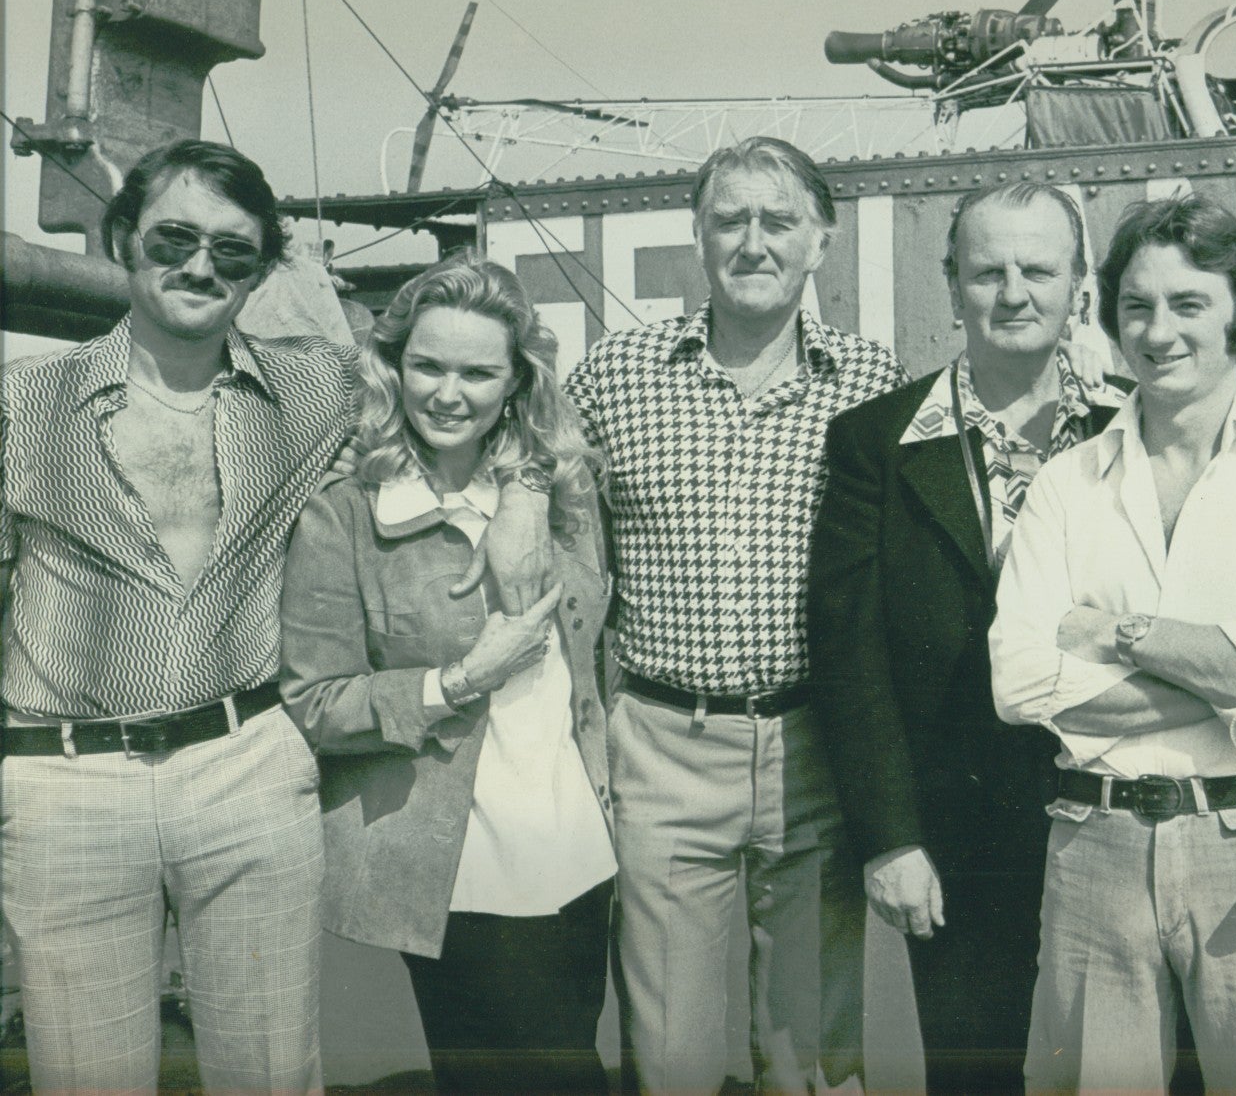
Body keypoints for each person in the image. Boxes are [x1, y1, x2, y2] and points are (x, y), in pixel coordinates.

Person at [0, 140, 550, 1094]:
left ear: (260, 270)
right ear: (123, 238)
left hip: (247, 765)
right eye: (174, 236)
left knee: (270, 1073)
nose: (200, 265)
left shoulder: (315, 390)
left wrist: (524, 487)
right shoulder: (19, 404)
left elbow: (469, 382)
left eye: (232, 249)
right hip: (66, 781)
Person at [990, 191, 1236, 1094]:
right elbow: (1018, 683)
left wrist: (1119, 633)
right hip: (1092, 844)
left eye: (1187, 303)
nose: (1158, 331)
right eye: (1136, 305)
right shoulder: (1063, 485)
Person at [566, 137, 905, 1095]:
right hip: (666, 744)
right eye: (730, 220)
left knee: (811, 1056)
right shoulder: (612, 379)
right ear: (699, 235)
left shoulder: (871, 385)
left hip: (814, 749)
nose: (753, 242)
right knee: (670, 1055)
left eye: (778, 220)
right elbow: (562, 564)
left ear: (820, 241)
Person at [807, 181, 1123, 1095]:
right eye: (987, 271)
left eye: (1038, 269)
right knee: (973, 1072)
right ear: (951, 285)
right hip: (955, 831)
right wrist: (888, 838)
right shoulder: (875, 439)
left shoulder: (1133, 427)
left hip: (1115, 814)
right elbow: (849, 653)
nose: (1013, 292)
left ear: (1078, 287)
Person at [280, 258, 614, 1093]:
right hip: (454, 860)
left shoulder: (562, 494)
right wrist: (460, 679)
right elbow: (314, 702)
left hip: (576, 842)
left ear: (515, 382)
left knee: (570, 1061)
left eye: (478, 371)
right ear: (392, 367)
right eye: (428, 365)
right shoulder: (345, 514)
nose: (448, 392)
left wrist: (525, 487)